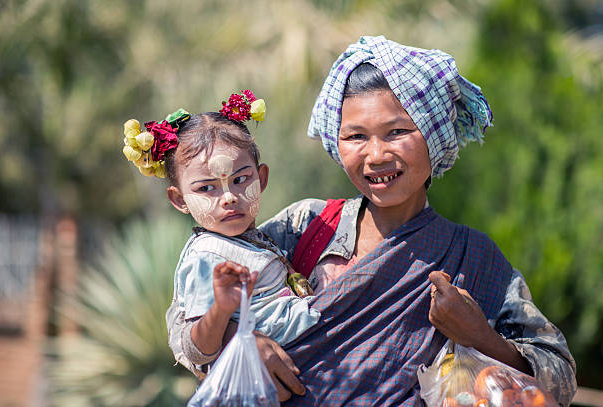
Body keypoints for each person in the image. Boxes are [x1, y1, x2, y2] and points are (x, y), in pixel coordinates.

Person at [167, 37, 578, 406]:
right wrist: (241, 342)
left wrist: (481, 338)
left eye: (397, 131)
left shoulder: (472, 257)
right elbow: (187, 323)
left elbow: (560, 379)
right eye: (356, 137)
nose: (376, 155)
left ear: (433, 139)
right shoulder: (307, 225)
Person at [121, 92, 320, 376]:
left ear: (261, 178)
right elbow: (197, 349)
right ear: (179, 200)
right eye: (206, 188)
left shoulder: (255, 240)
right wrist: (221, 311)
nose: (229, 197)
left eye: (240, 180)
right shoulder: (208, 257)